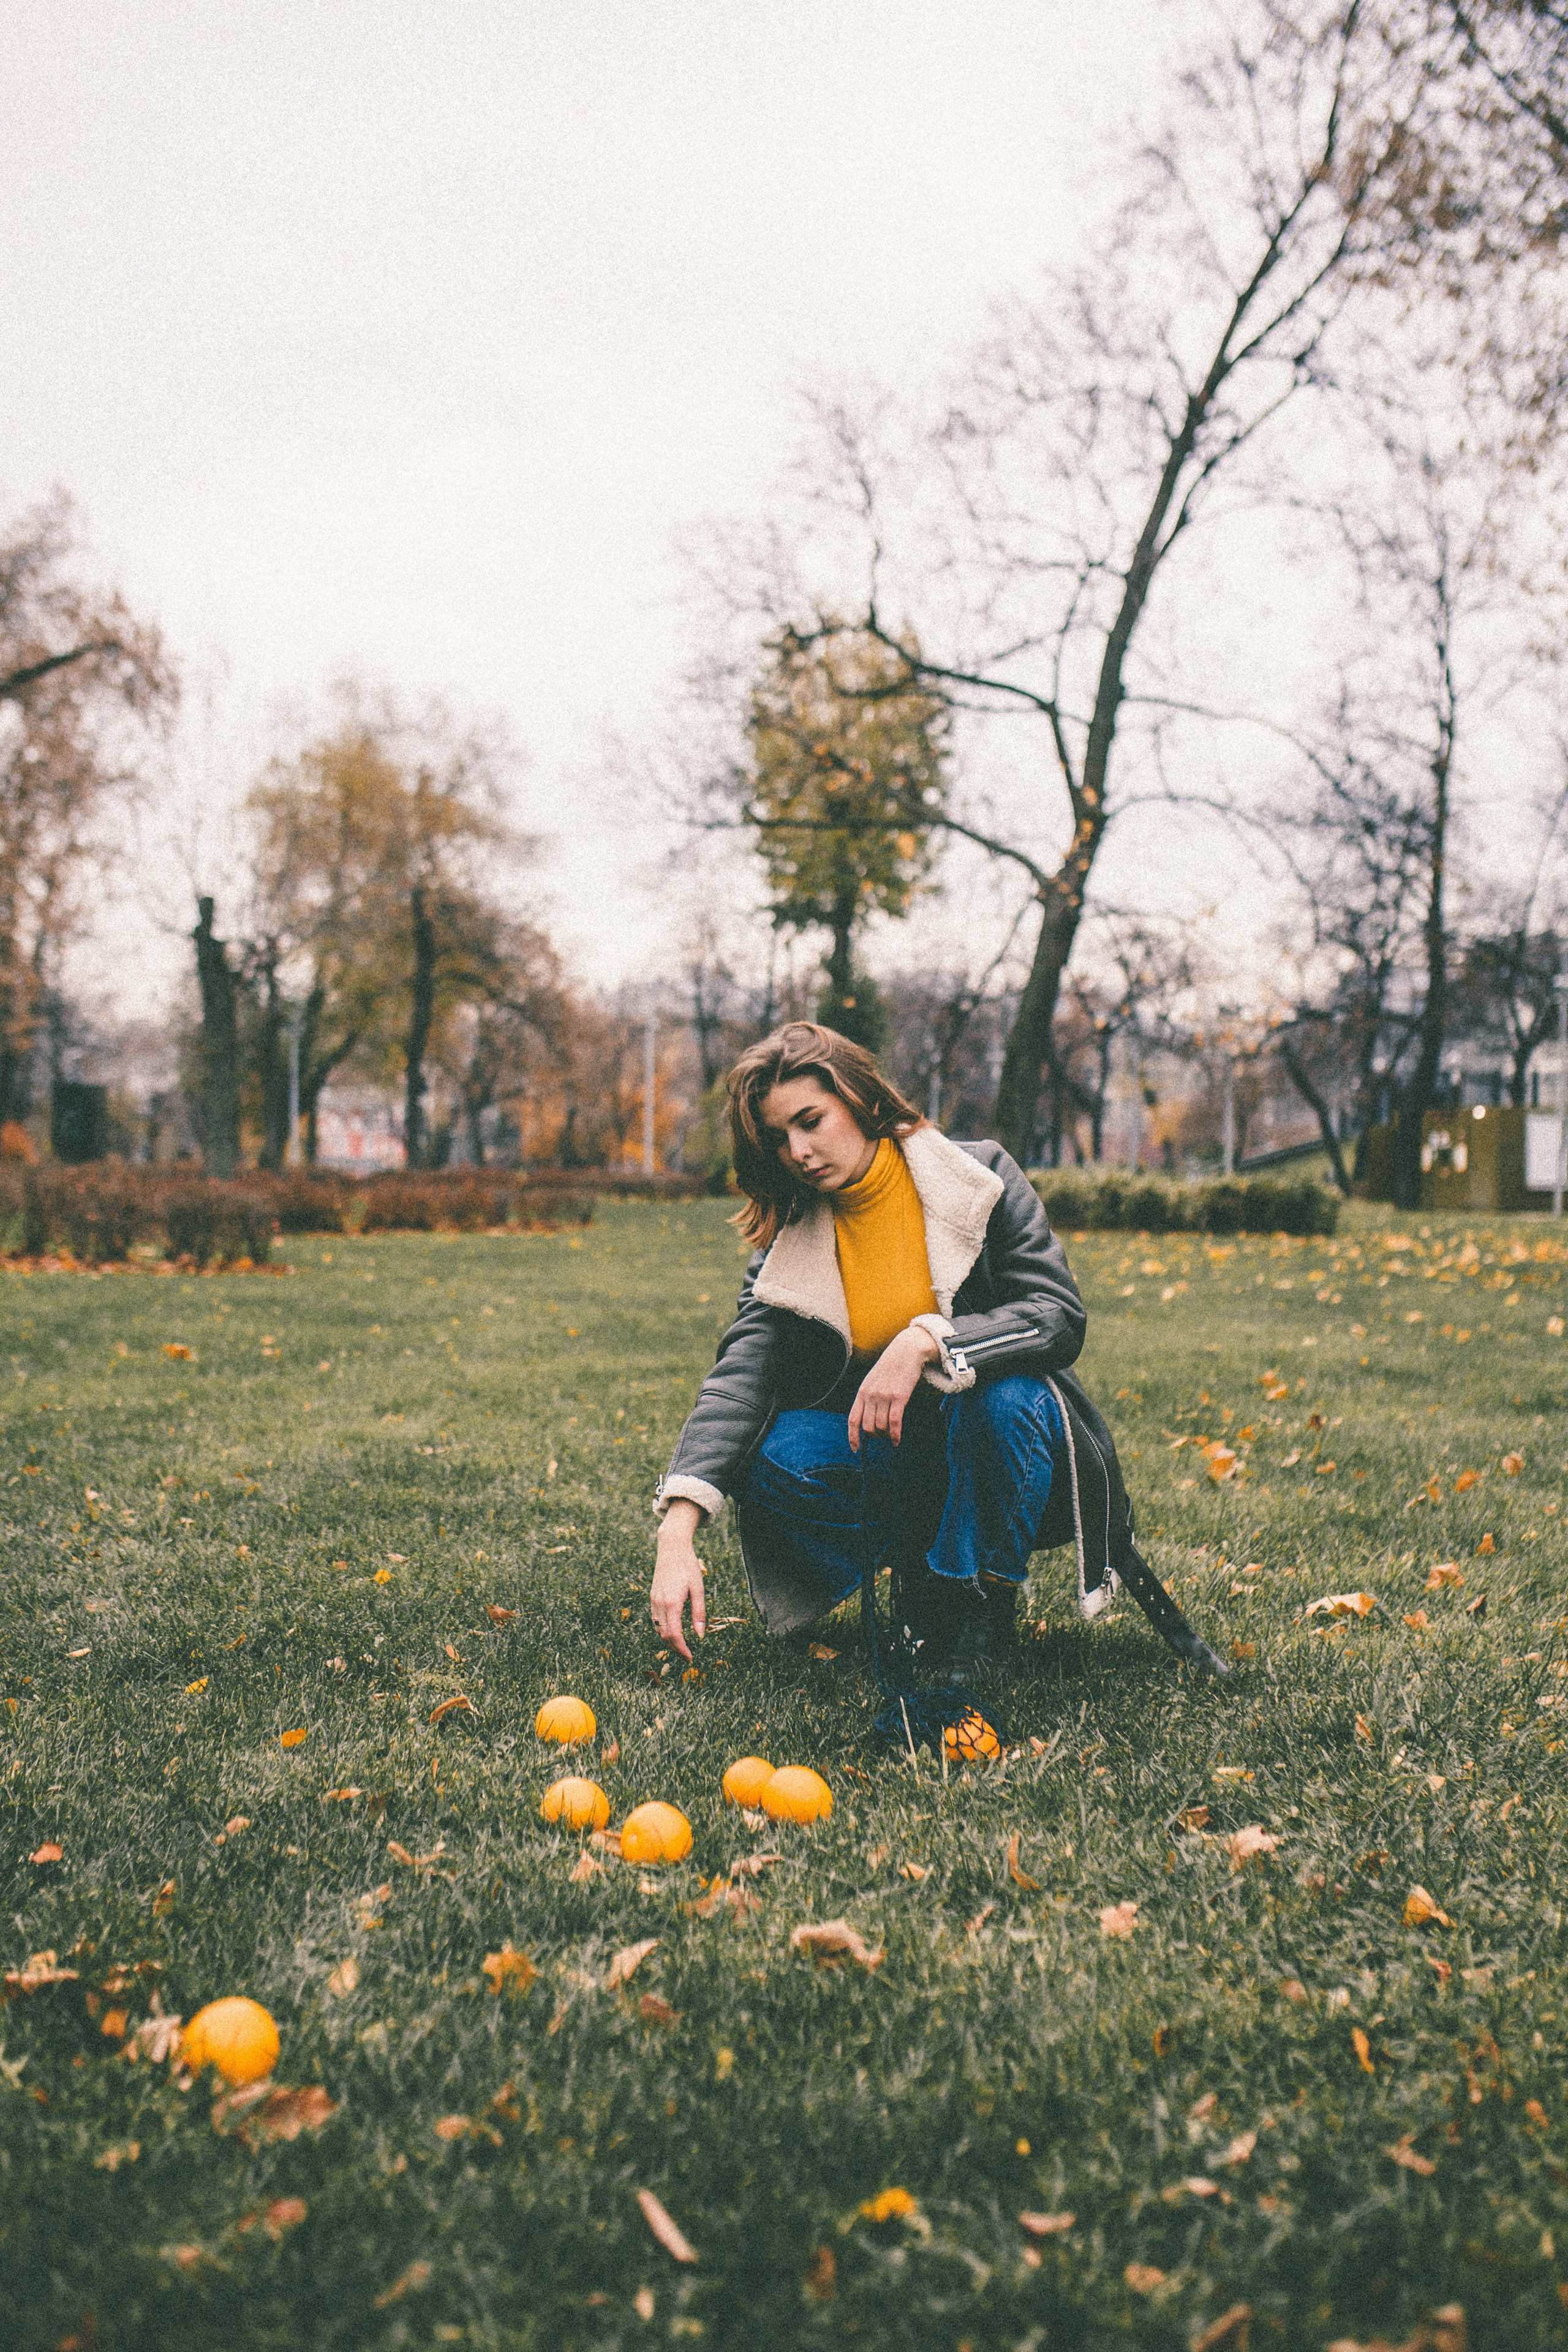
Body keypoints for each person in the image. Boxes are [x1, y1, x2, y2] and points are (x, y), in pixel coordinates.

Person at [650, 1022, 1224, 1686]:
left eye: (810, 1121)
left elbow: (1057, 1316)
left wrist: (927, 1339)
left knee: (1005, 1398)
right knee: (774, 1455)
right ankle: (927, 1579)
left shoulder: (974, 1176)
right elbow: (739, 1380)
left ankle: (976, 1616)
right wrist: (678, 1529)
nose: (799, 1151)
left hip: (1010, 1449)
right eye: (779, 1138)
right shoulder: (792, 1236)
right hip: (898, 1458)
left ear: (859, 1098)